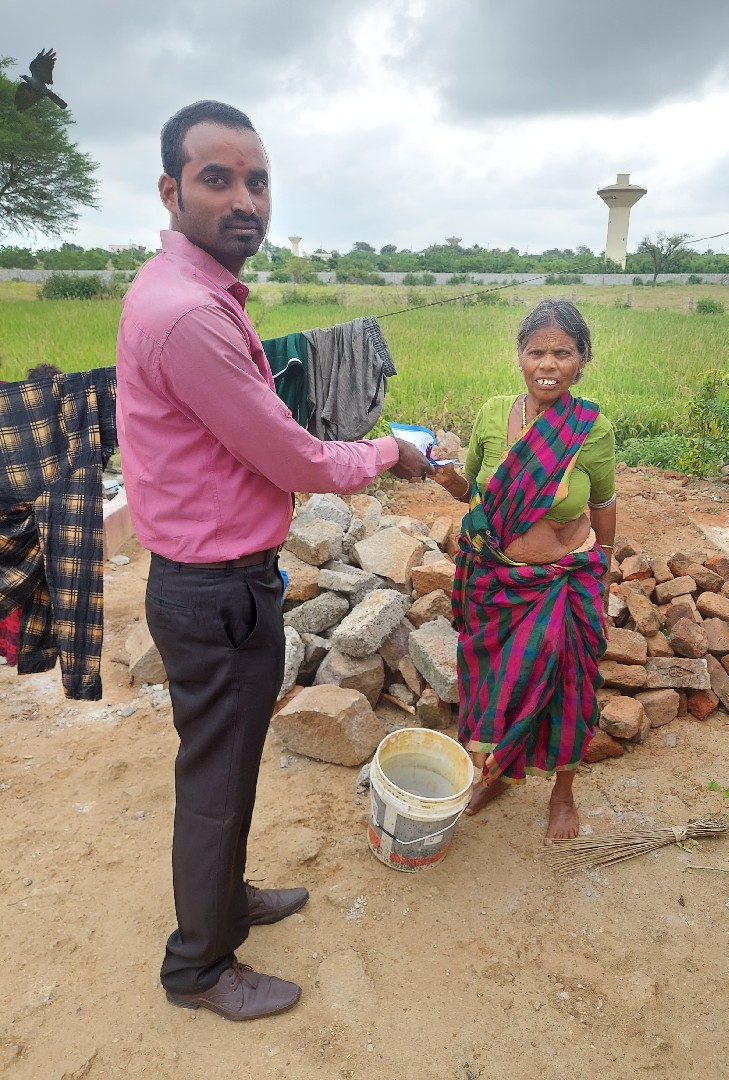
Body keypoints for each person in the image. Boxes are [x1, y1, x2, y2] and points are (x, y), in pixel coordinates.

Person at [115, 100, 433, 1022]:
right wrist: (390, 452)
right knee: (216, 783)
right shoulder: (192, 317)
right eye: (217, 179)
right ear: (171, 190)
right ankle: (199, 968)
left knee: (226, 765)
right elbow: (293, 458)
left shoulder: (187, 291)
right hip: (214, 591)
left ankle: (226, 902)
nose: (245, 199)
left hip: (215, 582)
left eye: (257, 180)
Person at [432, 299, 616, 840]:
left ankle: (563, 793)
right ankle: (495, 775)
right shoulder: (493, 414)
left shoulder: (590, 427)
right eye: (537, 352)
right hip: (496, 579)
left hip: (564, 579)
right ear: (520, 356)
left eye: (563, 353)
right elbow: (472, 491)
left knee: (569, 688)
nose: (548, 364)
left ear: (582, 360)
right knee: (490, 683)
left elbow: (603, 502)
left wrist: (604, 570)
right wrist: (449, 482)